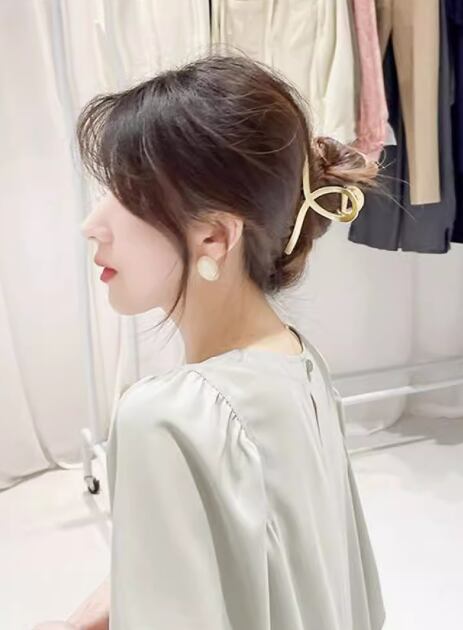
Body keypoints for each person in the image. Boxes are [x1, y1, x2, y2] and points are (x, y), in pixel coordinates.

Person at [34, 55, 385, 629]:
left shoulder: (166, 417)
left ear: (215, 237)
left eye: (125, 194)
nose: (92, 224)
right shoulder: (299, 362)